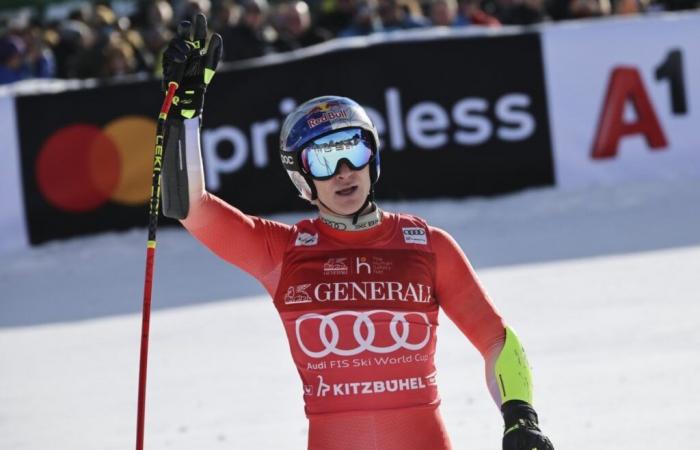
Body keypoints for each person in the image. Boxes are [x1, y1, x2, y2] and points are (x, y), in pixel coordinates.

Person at [160, 13, 555, 450]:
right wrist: (186, 115)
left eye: (353, 149)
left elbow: (497, 340)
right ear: (301, 179)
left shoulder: (429, 246)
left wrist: (520, 416)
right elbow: (190, 207)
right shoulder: (284, 253)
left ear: (374, 157)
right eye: (324, 161)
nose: (344, 172)